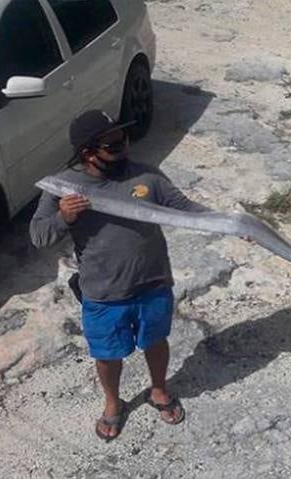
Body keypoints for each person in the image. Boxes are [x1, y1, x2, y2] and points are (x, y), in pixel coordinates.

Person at [30, 110, 210, 441]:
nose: (123, 147)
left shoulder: (147, 176)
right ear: (87, 152)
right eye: (112, 144)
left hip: (153, 282)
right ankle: (113, 403)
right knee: (108, 354)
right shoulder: (61, 187)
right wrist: (62, 217)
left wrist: (231, 224)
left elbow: (186, 209)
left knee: (156, 341)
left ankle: (158, 390)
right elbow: (39, 236)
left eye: (123, 139)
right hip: (103, 293)